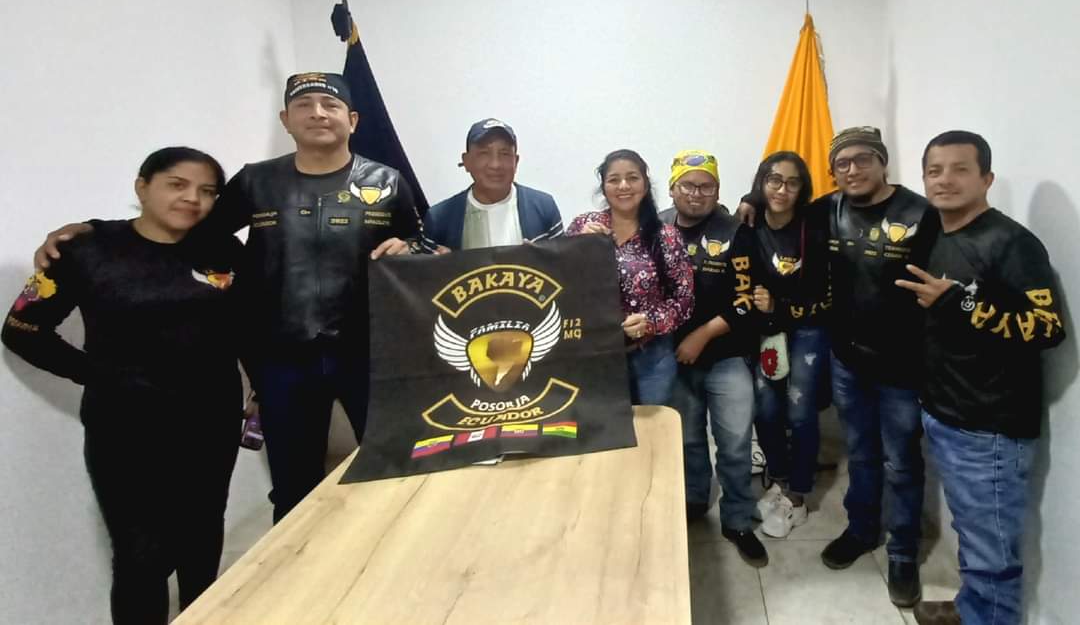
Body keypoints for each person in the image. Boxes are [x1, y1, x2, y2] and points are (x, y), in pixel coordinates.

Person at [34, 72, 421, 523]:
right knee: (294, 484)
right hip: (282, 360)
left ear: (352, 120)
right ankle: (295, 565)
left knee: (396, 469)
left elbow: (421, 240)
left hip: (369, 354)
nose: (318, 113)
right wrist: (95, 232)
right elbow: (187, 229)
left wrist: (414, 247)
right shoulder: (256, 181)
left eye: (330, 105)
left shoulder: (388, 181)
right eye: (304, 105)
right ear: (286, 120)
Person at [3, 147, 244, 625]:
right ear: (142, 187)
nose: (192, 199)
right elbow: (22, 330)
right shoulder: (85, 250)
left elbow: (251, 324)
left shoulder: (225, 250)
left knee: (201, 542)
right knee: (141, 556)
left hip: (210, 418)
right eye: (177, 184)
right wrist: (101, 375)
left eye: (207, 191)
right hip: (124, 424)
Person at [736, 126, 935, 607]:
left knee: (902, 462)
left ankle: (903, 553)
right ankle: (862, 530)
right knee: (861, 454)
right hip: (848, 358)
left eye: (863, 159)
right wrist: (747, 199)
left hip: (902, 365)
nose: (852, 169)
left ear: (883, 162)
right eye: (842, 164)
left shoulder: (921, 213)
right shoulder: (829, 209)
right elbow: (778, 199)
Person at [896, 132, 1065, 625]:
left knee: (992, 557)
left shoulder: (1011, 243)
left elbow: (1047, 327)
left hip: (989, 426)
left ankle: (986, 613)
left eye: (960, 169)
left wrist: (959, 303)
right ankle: (973, 610)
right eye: (935, 170)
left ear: (986, 178)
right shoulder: (937, 231)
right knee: (974, 536)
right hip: (946, 412)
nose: (945, 179)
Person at [660, 150, 768, 567]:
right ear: (672, 189)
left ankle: (738, 519)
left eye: (706, 186)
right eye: (687, 185)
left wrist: (703, 335)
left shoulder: (736, 231)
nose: (696, 193)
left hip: (726, 356)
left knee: (735, 444)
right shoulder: (657, 229)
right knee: (687, 441)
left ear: (717, 191)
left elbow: (745, 300)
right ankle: (693, 502)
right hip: (674, 359)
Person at [745, 152, 831, 540]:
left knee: (799, 412)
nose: (782, 189)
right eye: (774, 180)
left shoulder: (815, 226)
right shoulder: (747, 224)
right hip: (766, 332)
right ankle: (779, 481)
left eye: (792, 182)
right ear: (762, 182)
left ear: (803, 188)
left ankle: (797, 497)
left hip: (807, 329)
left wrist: (779, 305)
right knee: (765, 410)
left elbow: (824, 295)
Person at [566, 149, 694, 405]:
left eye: (632, 178)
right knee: (606, 425)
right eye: (614, 179)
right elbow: (562, 281)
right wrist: (579, 246)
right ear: (604, 188)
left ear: (645, 185)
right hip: (596, 353)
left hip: (653, 356)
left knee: (652, 427)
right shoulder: (583, 226)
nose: (623, 186)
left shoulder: (666, 236)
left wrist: (650, 322)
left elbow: (684, 300)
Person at [421, 118, 562, 251]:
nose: (495, 164)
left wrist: (541, 260)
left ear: (516, 161)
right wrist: (443, 263)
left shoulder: (543, 207)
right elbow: (425, 267)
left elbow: (563, 262)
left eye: (504, 154)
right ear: (466, 161)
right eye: (484, 153)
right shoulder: (439, 219)